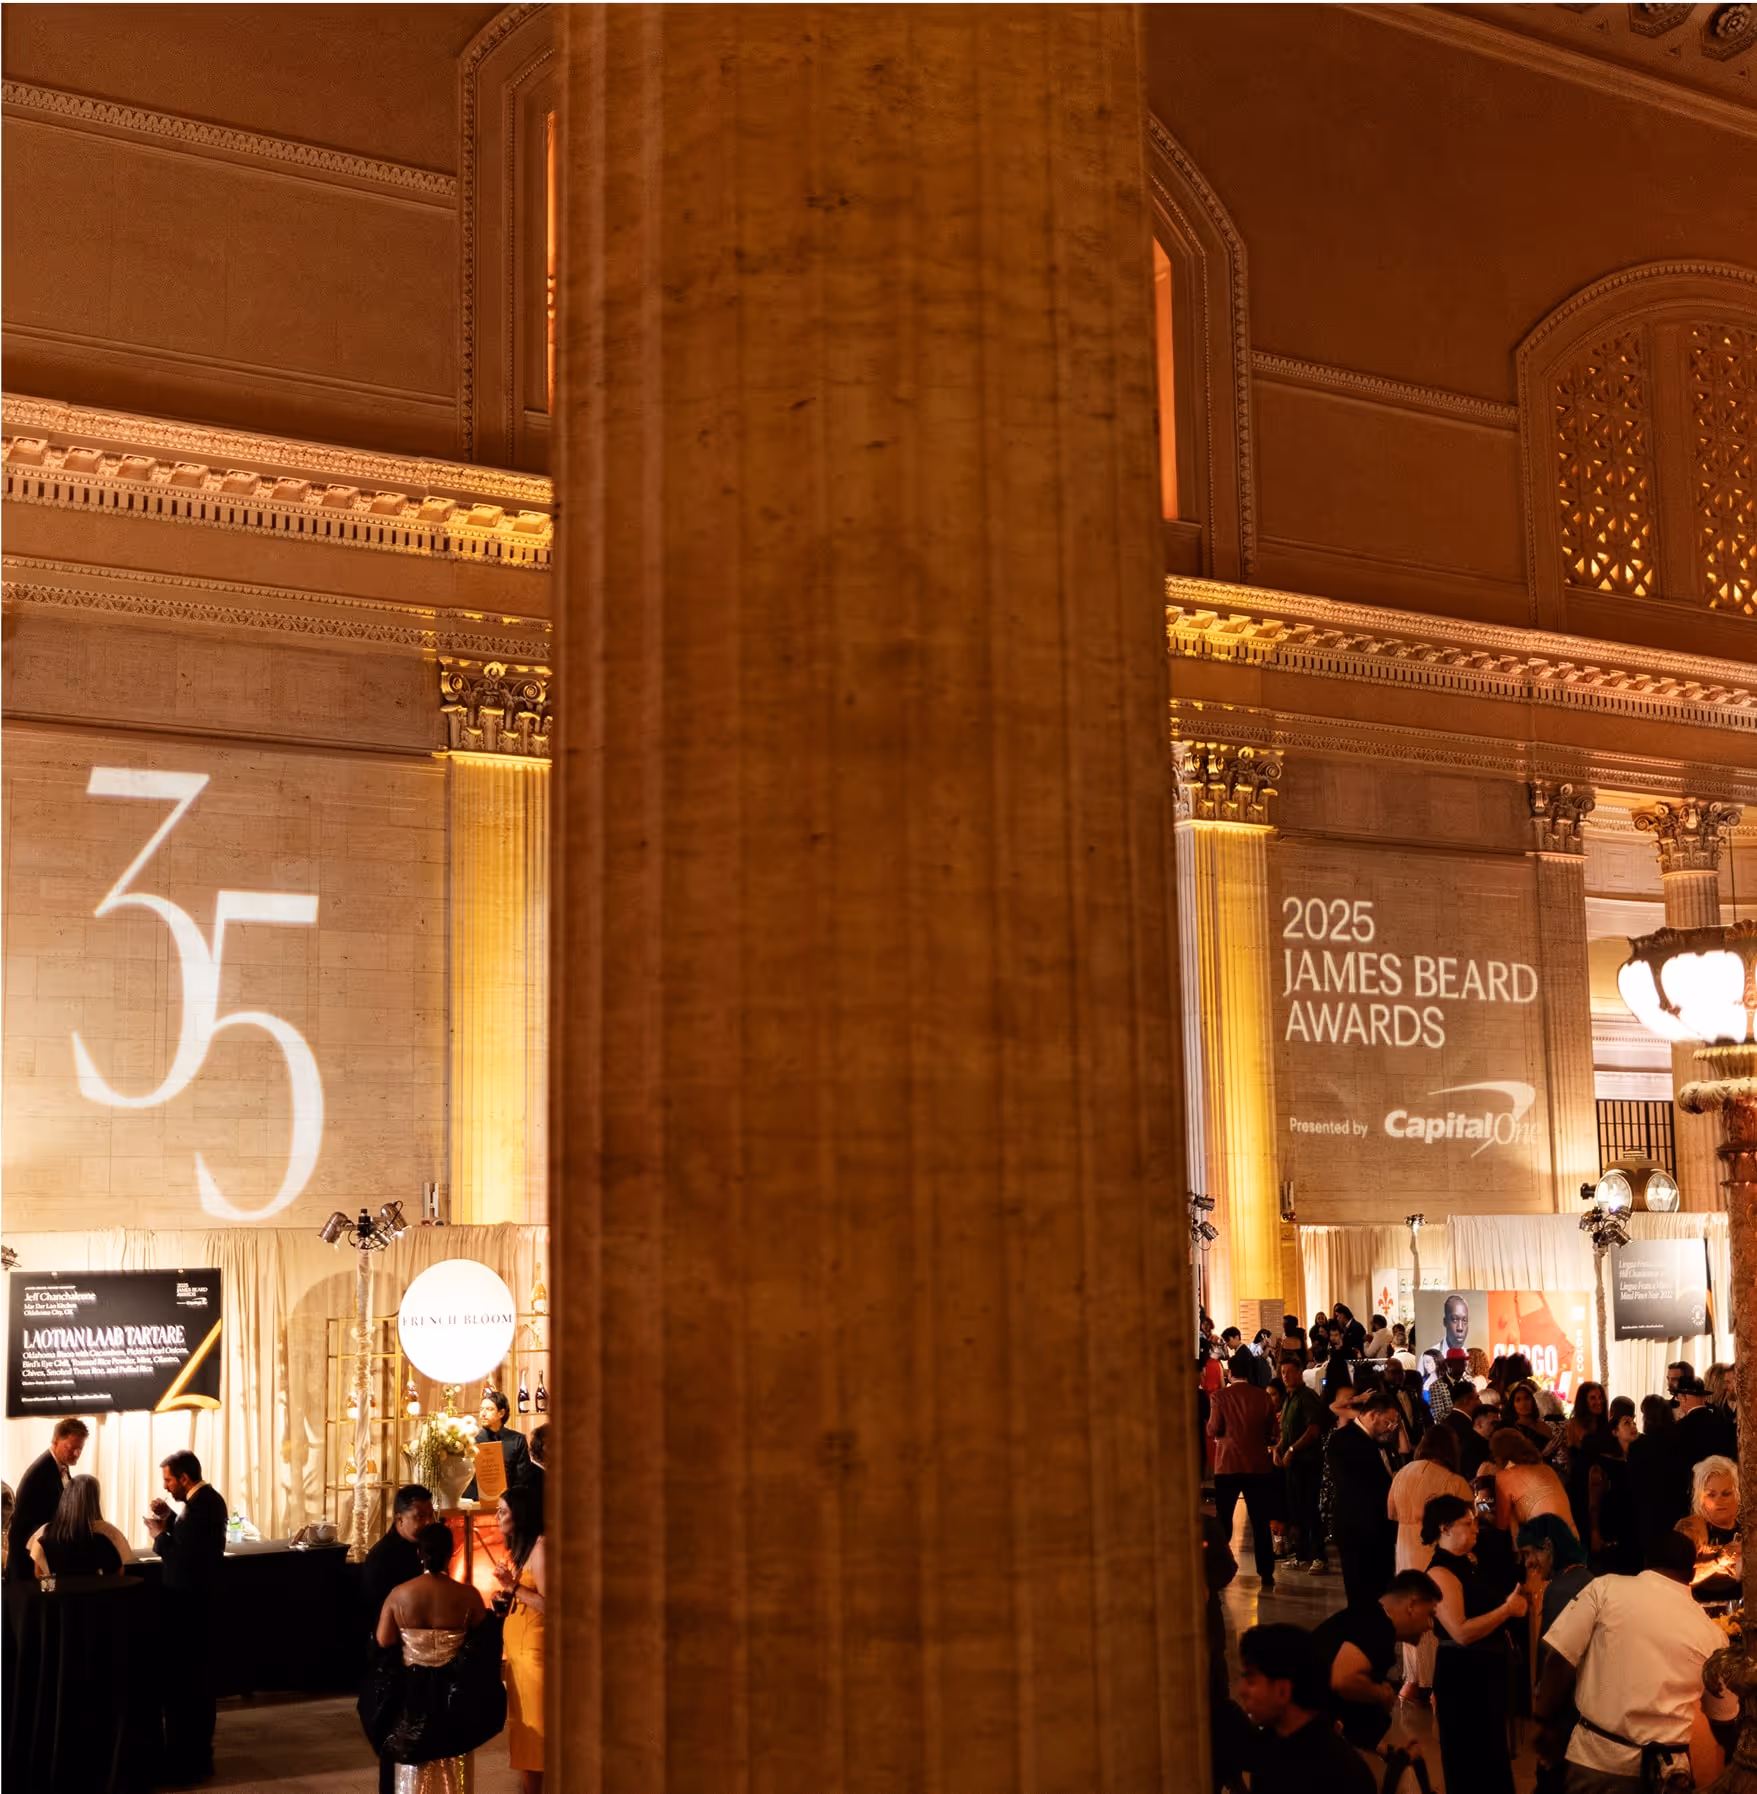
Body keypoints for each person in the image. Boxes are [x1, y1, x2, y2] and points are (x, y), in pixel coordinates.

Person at [1538, 1529, 1739, 1790]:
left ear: (1645, 1564)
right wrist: (1738, 1757)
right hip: (1669, 1777)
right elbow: (1722, 1719)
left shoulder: (1605, 1588)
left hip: (1597, 1764)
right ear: (1691, 1575)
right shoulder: (1713, 1635)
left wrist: (1544, 1720)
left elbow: (1559, 1659)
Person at [366, 1522, 505, 1793]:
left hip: (412, 1693)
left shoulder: (399, 1594)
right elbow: (482, 1646)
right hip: (454, 1696)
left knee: (412, 1764)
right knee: (453, 1759)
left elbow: (383, 1641)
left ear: (419, 1553)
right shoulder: (468, 1595)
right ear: (450, 1553)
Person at [1423, 1492, 1526, 1794]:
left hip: (1482, 1673)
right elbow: (1462, 1632)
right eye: (1467, 1524)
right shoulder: (1441, 1572)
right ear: (1444, 1528)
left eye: (1475, 1523)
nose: (1475, 1529)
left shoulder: (1468, 1563)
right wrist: (1506, 1610)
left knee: (1491, 1759)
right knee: (1470, 1762)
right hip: (1463, 1677)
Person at [147, 1449, 229, 1781]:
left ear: (184, 1478)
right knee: (195, 1690)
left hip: (191, 1613)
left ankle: (189, 1762)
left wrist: (159, 1536)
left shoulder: (203, 1507)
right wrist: (170, 1518)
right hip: (197, 1610)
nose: (165, 1486)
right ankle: (195, 1757)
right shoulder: (200, 1504)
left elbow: (185, 1559)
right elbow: (189, 1542)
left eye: (168, 1479)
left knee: (189, 1691)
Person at [1310, 1570, 1441, 1755]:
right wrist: (1379, 1693)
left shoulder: (1372, 1618)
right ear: (1412, 1604)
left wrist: (1387, 1751)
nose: (1429, 1625)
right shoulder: (1377, 1626)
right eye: (1430, 1614)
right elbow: (1343, 1681)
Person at [1234, 1623, 1376, 1794]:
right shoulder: (1269, 1744)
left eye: (1251, 1680)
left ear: (1283, 1691)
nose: (1241, 1690)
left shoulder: (1340, 1774)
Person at [1387, 1428, 1472, 1696]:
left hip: (1404, 1547)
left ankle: (1413, 1679)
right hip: (1432, 1551)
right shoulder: (1452, 1480)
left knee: (1410, 1609)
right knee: (1435, 1611)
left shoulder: (1403, 1472)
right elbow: (1467, 1521)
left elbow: (1390, 1512)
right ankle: (1434, 1681)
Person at [1208, 1359, 1280, 1589]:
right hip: (1257, 1466)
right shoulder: (1262, 1396)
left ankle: (1216, 1569)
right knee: (1260, 1522)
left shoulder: (1219, 1397)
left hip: (1227, 1465)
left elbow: (1213, 1429)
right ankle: (1266, 1572)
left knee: (1224, 1521)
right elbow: (1273, 1433)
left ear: (1230, 1374)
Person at [1325, 1390, 1399, 1608]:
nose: (1390, 1427)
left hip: (1380, 1529)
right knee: (1361, 1595)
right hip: (1358, 1529)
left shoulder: (1379, 1441)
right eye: (1389, 1420)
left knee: (1381, 1592)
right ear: (1374, 1415)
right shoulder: (1343, 1439)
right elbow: (1352, 1486)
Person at [494, 1484, 546, 1793]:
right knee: (525, 1730)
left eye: (503, 1511)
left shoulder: (541, 1547)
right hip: (519, 1653)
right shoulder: (524, 1549)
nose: (497, 1516)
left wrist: (514, 1587)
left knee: (538, 1730)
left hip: (535, 1653)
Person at [5, 1417, 89, 1581]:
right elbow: (44, 1518)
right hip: (27, 1558)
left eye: (80, 1448)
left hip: (37, 1552)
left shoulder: (58, 1466)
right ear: (55, 1441)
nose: (76, 1453)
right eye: (71, 1448)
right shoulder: (42, 1472)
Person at [1273, 1354, 1329, 1573]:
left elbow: (1313, 1430)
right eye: (1282, 1372)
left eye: (1289, 1372)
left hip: (1307, 1463)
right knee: (1296, 1510)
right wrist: (1279, 1448)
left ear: (1299, 1373)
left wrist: (1293, 1449)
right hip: (1292, 1465)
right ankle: (1302, 1554)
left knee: (1310, 1508)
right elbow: (1286, 1430)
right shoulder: (1289, 1397)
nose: (1285, 1376)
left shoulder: (1308, 1397)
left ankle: (1319, 1556)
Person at [363, 1485, 437, 1634]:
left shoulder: (427, 1547)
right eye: (421, 1516)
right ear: (400, 1519)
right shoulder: (382, 1557)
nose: (429, 1522)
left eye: (431, 1515)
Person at [25, 1473, 130, 1577]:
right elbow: (118, 1574)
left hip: (59, 1593)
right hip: (96, 1593)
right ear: (95, 1499)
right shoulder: (109, 1532)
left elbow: (39, 1573)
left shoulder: (44, 1532)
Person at [1675, 1454, 1741, 1604]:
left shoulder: (1748, 1526)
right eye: (1711, 1494)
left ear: (1737, 1494)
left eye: (1726, 1493)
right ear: (1701, 1498)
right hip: (1700, 1613)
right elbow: (1675, 1578)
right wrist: (1718, 1561)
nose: (1719, 1500)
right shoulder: (1693, 1528)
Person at [1490, 1429, 1577, 1538]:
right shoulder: (1546, 1469)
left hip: (1544, 1545)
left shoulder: (1504, 1477)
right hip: (1571, 1539)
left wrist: (1485, 1516)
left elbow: (1502, 1524)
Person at [463, 1391, 529, 1500]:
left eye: (489, 1409)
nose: (482, 1414)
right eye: (481, 1409)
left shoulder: (517, 1440)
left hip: (507, 1505)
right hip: (475, 1506)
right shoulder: (470, 1439)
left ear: (501, 1413)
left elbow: (522, 1480)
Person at [1672, 1376, 1737, 1478]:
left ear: (1683, 1398)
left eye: (1678, 1398)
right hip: (1722, 1482)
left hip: (1693, 1486)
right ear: (1704, 1397)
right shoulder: (1724, 1422)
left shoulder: (1679, 1428)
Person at [1443, 1371, 1491, 1479]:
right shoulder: (1466, 1427)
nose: (1480, 1402)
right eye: (1477, 1398)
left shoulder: (1447, 1421)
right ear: (1466, 1401)